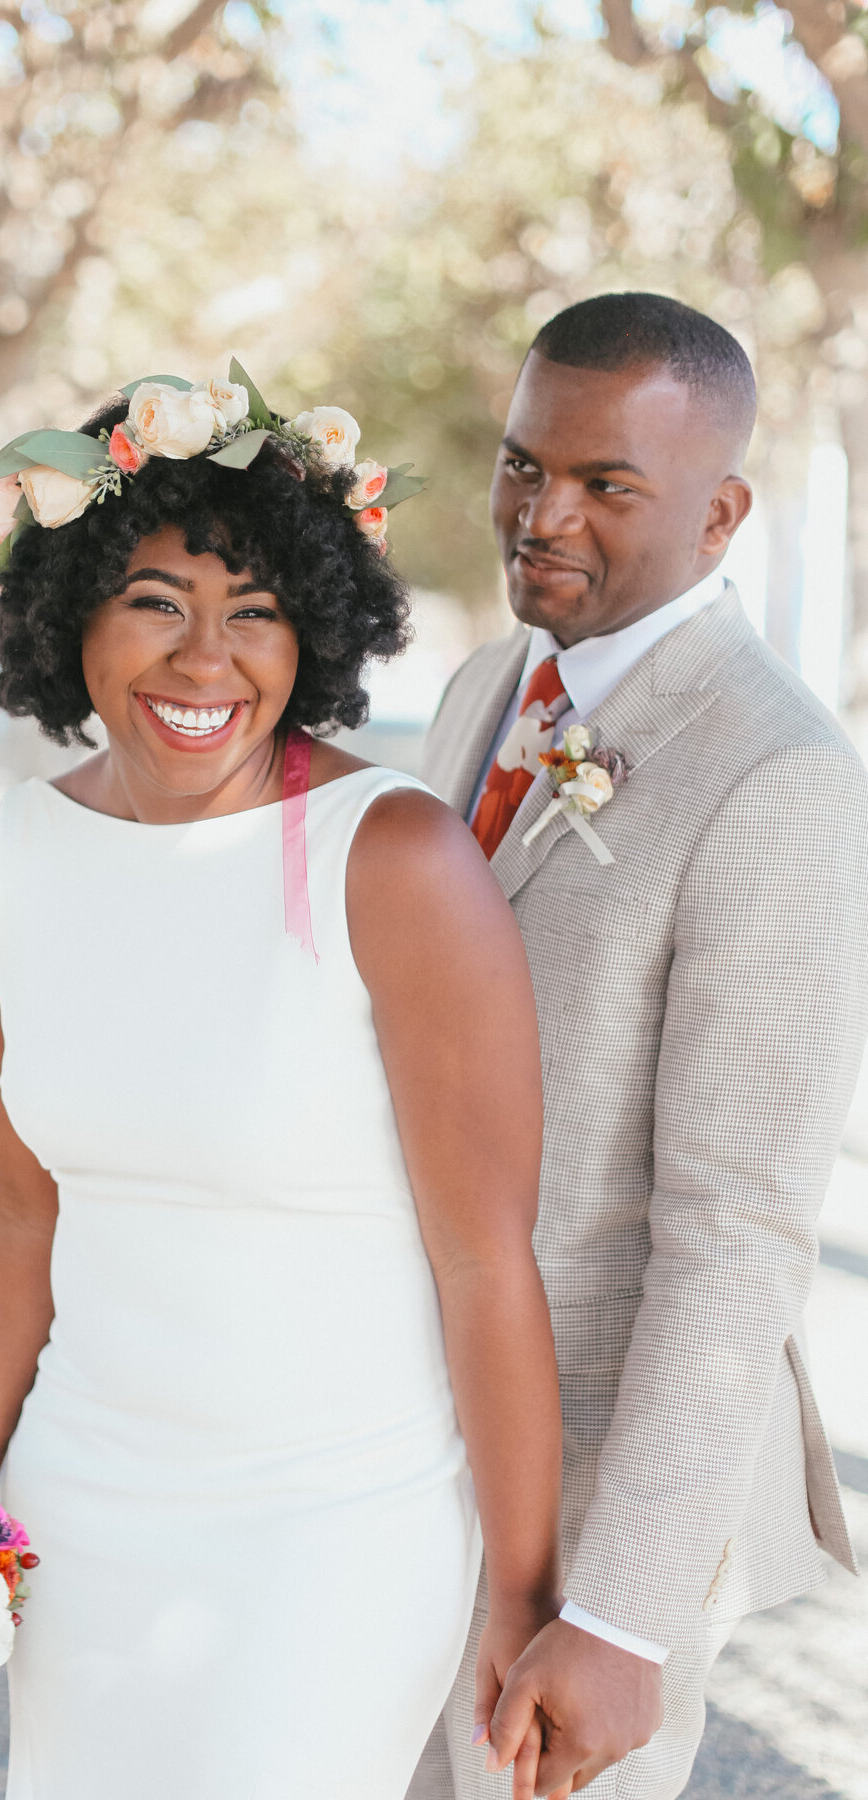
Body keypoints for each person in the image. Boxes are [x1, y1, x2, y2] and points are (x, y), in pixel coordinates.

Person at [0, 372, 565, 1800]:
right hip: (82, 1518)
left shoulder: (393, 859)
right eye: (156, 601)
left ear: (317, 633)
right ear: (71, 613)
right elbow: (18, 1218)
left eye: (259, 611)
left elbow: (484, 1262)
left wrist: (525, 1595)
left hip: (333, 1532)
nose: (207, 660)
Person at [409, 292, 868, 1800]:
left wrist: (621, 1613)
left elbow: (739, 1225)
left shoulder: (778, 772)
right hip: (413, 1436)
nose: (542, 517)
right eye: (524, 465)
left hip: (609, 1476)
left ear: (722, 512)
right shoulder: (489, 687)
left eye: (609, 486)